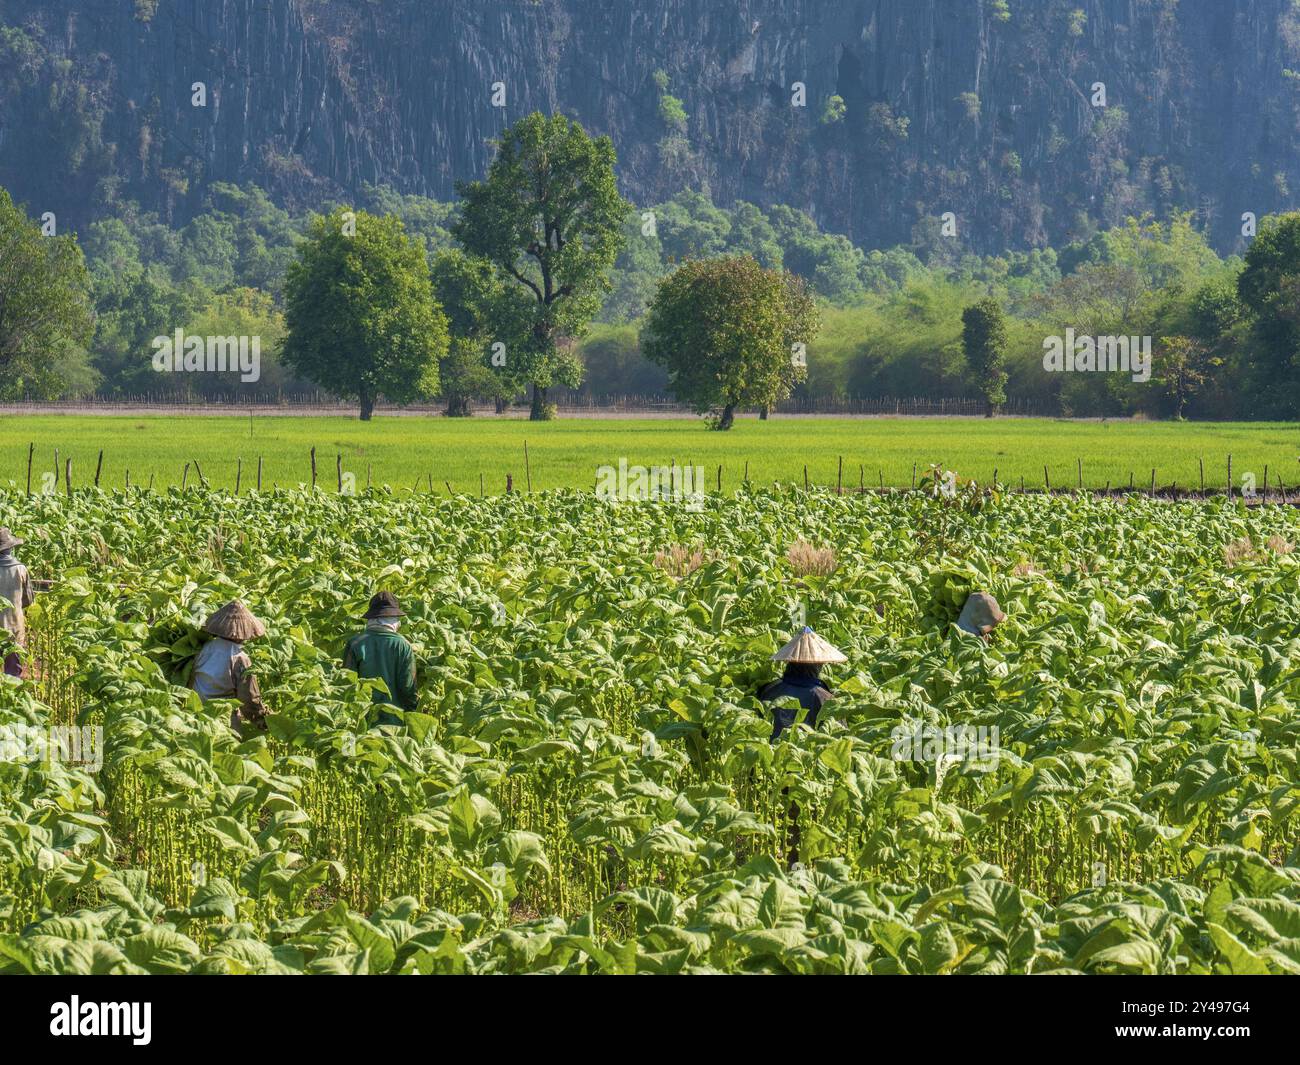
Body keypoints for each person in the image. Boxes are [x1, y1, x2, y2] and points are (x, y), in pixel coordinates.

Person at [191, 600, 269, 736]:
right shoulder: (240, 658)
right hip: (222, 719)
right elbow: (249, 699)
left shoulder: (204, 647)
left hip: (195, 713)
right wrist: (267, 721)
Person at [758, 625, 846, 741]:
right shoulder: (825, 699)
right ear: (818, 665)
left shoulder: (768, 689)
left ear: (789, 661)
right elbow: (839, 735)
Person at [343, 592, 417, 726]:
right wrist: (413, 713)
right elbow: (408, 686)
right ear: (394, 619)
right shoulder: (403, 645)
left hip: (361, 720)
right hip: (395, 720)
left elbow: (347, 684)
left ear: (371, 617)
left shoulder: (355, 643)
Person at [0, 528, 35, 678]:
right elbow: (28, 599)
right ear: (10, 548)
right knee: (13, 674)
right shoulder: (21, 569)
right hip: (14, 628)